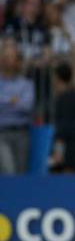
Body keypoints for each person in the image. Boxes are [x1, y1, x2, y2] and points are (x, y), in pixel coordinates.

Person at [48, 63, 75, 173]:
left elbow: (64, 127)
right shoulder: (72, 95)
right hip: (70, 144)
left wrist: (58, 152)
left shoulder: (64, 98)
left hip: (68, 147)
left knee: (65, 182)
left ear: (58, 78)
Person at [0, 38, 34, 174]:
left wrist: (4, 100)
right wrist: (13, 100)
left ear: (18, 60)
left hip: (22, 133)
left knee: (21, 173)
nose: (8, 60)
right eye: (5, 57)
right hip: (1, 133)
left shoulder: (26, 84)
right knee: (8, 171)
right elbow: (19, 104)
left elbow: (27, 106)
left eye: (12, 57)